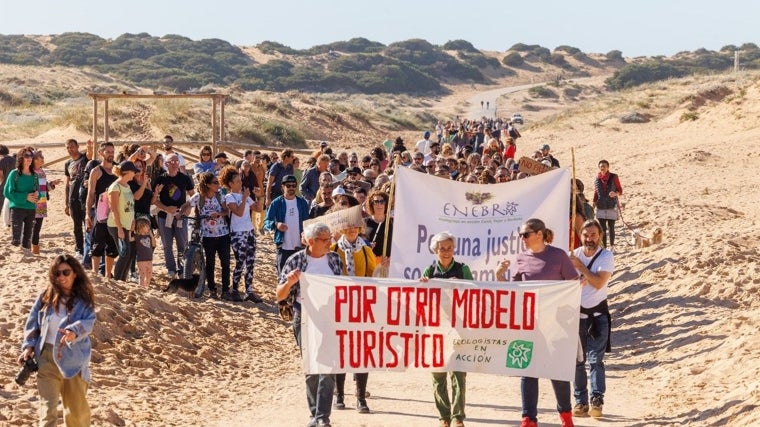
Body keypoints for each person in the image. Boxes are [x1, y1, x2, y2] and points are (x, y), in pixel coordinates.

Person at [495, 218, 579, 427]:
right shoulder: (521, 258)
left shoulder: (558, 255)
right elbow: (514, 292)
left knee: (556, 370)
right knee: (527, 368)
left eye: (526, 234)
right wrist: (499, 276)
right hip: (529, 322)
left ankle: (566, 415)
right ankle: (528, 418)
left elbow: (573, 285)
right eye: (521, 235)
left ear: (540, 234)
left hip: (556, 324)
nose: (522, 238)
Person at [277, 222, 343, 427]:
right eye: (325, 240)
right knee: (311, 367)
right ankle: (314, 414)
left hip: (330, 318)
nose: (330, 243)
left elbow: (345, 286)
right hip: (304, 317)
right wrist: (289, 282)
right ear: (312, 241)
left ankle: (323, 417)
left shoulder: (335, 260)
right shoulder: (295, 260)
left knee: (328, 366)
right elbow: (279, 295)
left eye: (330, 239)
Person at [19, 254, 95, 427]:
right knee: (47, 412)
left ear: (75, 273)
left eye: (65, 272)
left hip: (73, 359)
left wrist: (73, 332)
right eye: (57, 273)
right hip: (46, 357)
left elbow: (88, 322)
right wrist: (28, 347)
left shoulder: (84, 301)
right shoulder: (46, 296)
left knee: (76, 414)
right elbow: (32, 323)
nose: (61, 277)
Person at [420, 231, 473, 427]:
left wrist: (464, 286)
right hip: (436, 329)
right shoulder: (429, 271)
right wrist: (423, 284)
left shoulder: (463, 269)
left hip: (459, 328)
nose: (446, 252)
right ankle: (444, 416)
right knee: (438, 373)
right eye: (442, 248)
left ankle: (458, 416)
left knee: (459, 372)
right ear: (435, 250)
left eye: (450, 248)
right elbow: (420, 298)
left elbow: (474, 294)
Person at [568, 220, 614, 419]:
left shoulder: (606, 256)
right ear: (581, 236)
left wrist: (582, 269)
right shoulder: (573, 255)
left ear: (600, 236)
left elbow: (598, 282)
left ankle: (597, 399)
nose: (589, 239)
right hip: (576, 315)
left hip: (598, 316)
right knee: (577, 361)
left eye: (593, 235)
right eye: (586, 235)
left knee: (596, 360)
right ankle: (580, 401)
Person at [330, 221, 375, 413]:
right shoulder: (332, 249)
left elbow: (373, 274)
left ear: (360, 229)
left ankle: (361, 397)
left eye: (355, 227)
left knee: (361, 352)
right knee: (340, 351)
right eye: (348, 227)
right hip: (339, 306)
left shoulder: (365, 250)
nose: (351, 230)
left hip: (361, 305)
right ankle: (339, 395)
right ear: (342, 228)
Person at [221, 167, 263, 303]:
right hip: (237, 232)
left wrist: (257, 196)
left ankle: (249, 290)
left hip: (249, 230)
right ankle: (235, 289)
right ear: (230, 184)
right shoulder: (229, 197)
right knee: (241, 261)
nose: (240, 183)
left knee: (251, 261)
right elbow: (238, 212)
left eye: (240, 181)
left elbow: (258, 209)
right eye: (237, 181)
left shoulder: (244, 195)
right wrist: (245, 197)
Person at [154, 153, 195, 277]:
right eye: (172, 161)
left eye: (177, 161)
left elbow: (193, 196)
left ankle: (182, 268)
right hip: (164, 216)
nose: (175, 163)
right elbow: (154, 199)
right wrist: (166, 208)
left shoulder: (185, 178)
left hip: (180, 216)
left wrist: (187, 209)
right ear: (166, 164)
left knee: (182, 244)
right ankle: (171, 269)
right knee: (167, 245)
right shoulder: (160, 179)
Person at [193, 172, 231, 300]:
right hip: (208, 236)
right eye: (215, 182)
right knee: (210, 263)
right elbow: (187, 205)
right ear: (208, 185)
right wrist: (179, 212)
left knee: (225, 262)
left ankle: (225, 290)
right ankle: (212, 289)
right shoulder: (199, 197)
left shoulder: (221, 196)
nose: (218, 184)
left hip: (223, 234)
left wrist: (219, 213)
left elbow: (226, 211)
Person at [264, 175, 310, 275]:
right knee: (283, 276)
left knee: (300, 277)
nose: (291, 188)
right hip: (283, 245)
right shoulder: (276, 203)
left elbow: (307, 223)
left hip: (300, 246)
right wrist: (276, 224)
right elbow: (267, 222)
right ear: (282, 187)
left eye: (294, 186)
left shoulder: (302, 203)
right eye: (288, 186)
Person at [84, 142, 118, 276]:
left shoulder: (117, 170)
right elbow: (90, 194)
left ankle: (108, 274)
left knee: (112, 245)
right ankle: (95, 273)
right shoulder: (96, 171)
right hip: (100, 213)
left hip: (115, 212)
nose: (111, 154)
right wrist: (88, 214)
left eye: (112, 151)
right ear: (101, 153)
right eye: (108, 151)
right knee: (97, 244)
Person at [107, 161, 138, 281]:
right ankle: (117, 281)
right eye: (133, 171)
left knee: (129, 254)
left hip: (126, 224)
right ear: (128, 172)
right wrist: (119, 228)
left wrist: (133, 221)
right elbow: (114, 209)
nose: (134, 173)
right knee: (125, 254)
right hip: (116, 225)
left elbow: (130, 206)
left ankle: (122, 280)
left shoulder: (127, 186)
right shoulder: (115, 187)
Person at [3, 147, 39, 250]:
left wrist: (37, 195)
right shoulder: (14, 174)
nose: (29, 158)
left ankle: (27, 258)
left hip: (31, 209)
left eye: (31, 156)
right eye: (26, 156)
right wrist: (25, 197)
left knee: (27, 240)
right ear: (21, 158)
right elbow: (7, 192)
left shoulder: (35, 175)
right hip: (17, 209)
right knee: (16, 240)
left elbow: (39, 193)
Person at [31, 150, 61, 255]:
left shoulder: (41, 171)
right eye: (40, 157)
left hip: (42, 202)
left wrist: (52, 184)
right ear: (34, 160)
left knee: (37, 227)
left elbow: (44, 188)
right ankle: (31, 248)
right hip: (32, 203)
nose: (43, 159)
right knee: (31, 227)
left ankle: (34, 248)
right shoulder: (30, 172)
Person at [63, 139, 89, 257]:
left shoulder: (85, 159)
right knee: (77, 226)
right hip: (73, 198)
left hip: (85, 197)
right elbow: (67, 184)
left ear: (78, 146)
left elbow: (90, 154)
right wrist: (66, 203)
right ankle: (79, 249)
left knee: (87, 224)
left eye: (72, 146)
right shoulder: (67, 164)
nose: (70, 149)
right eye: (68, 147)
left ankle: (89, 248)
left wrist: (89, 146)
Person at [593, 160, 623, 252]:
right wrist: (594, 203)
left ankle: (612, 246)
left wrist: (615, 194)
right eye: (601, 166)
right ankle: (604, 248)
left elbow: (620, 190)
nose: (602, 167)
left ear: (608, 167)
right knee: (602, 229)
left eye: (604, 166)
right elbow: (596, 192)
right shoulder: (597, 178)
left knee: (611, 227)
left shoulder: (614, 177)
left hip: (611, 205)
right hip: (601, 206)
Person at [364, 189, 393, 264]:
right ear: (371, 204)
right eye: (376, 202)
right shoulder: (364, 223)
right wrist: (367, 245)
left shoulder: (392, 222)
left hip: (390, 264)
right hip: (371, 263)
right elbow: (359, 242)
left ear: (386, 204)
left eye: (382, 202)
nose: (379, 204)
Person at [134, 217, 155, 289]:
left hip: (149, 259)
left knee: (149, 275)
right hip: (141, 260)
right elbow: (130, 239)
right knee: (142, 275)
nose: (149, 227)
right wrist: (130, 230)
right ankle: (142, 288)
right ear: (141, 227)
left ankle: (146, 287)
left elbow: (154, 245)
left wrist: (152, 236)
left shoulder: (149, 236)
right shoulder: (137, 236)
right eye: (147, 226)